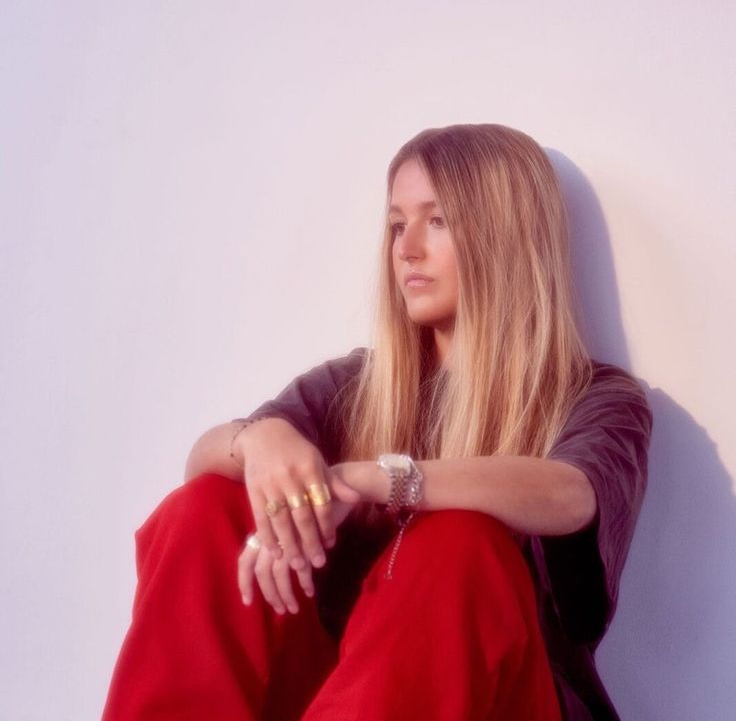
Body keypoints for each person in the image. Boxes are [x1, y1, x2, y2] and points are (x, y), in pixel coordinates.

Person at [102, 123, 653, 720]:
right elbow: (202, 461)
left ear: (506, 234)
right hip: (338, 700)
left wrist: (381, 479)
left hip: (503, 704)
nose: (406, 248)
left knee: (457, 541)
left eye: (436, 220)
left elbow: (572, 494)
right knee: (207, 508)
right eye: (396, 225)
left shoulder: (597, 397)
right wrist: (262, 439)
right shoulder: (358, 385)